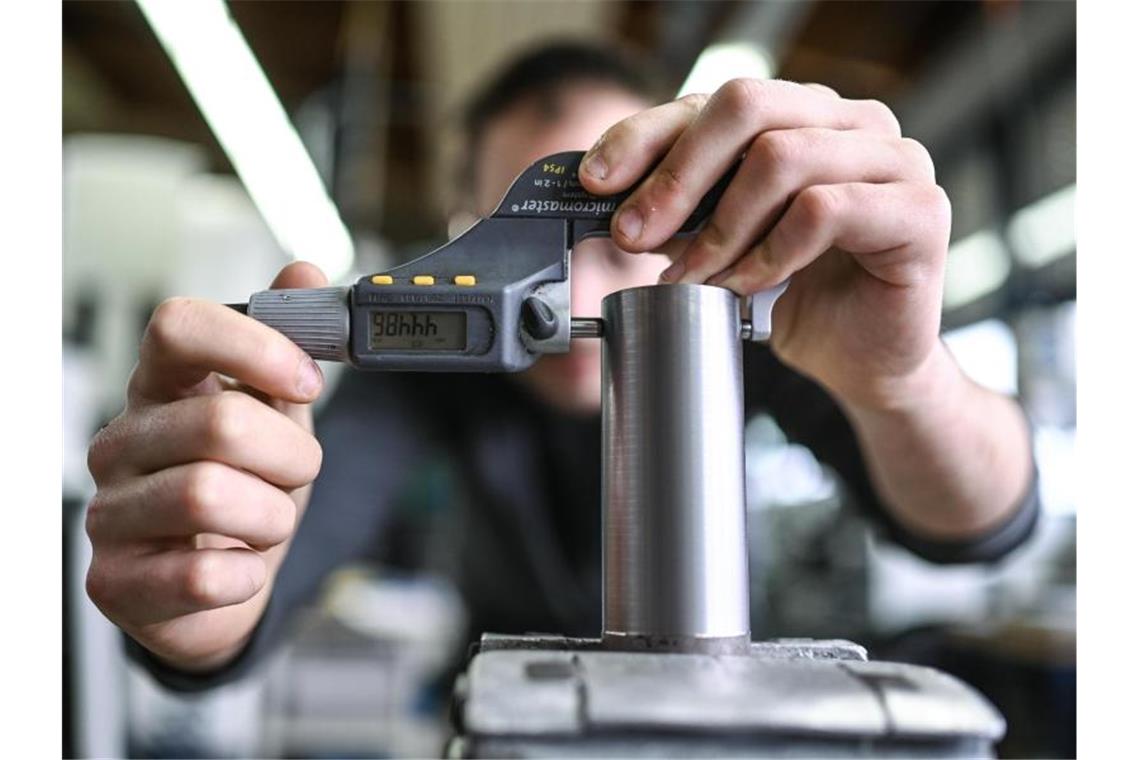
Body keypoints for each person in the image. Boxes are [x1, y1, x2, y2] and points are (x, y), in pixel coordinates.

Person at [84, 42, 1038, 691]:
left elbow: (978, 528)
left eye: (629, 237)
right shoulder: (423, 366)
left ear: (694, 215)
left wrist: (904, 379)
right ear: (463, 243)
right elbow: (270, 572)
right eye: (542, 251)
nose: (585, 299)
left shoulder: (741, 320)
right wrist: (199, 593)